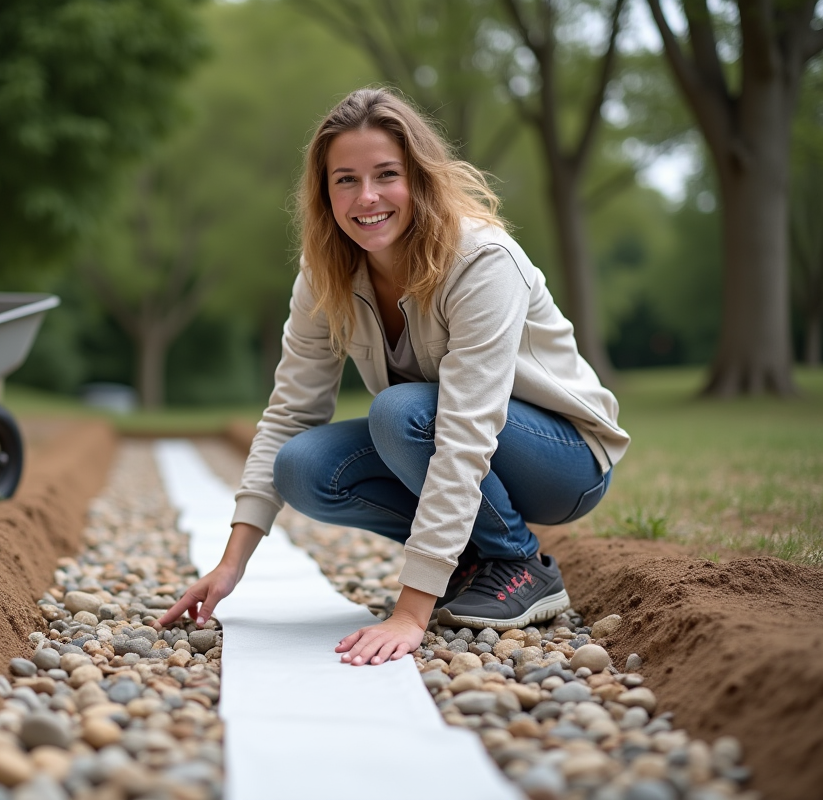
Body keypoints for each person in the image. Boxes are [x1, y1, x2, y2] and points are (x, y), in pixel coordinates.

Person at [158, 87, 629, 668]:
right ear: (324, 191)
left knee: (400, 413)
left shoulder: (480, 260)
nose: (368, 196)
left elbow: (465, 431)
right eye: (346, 180)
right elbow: (290, 412)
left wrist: (411, 611)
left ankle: (518, 563)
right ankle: (469, 559)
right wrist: (230, 566)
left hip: (565, 457)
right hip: (445, 436)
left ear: (420, 178)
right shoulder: (324, 273)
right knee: (303, 466)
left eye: (386, 174)